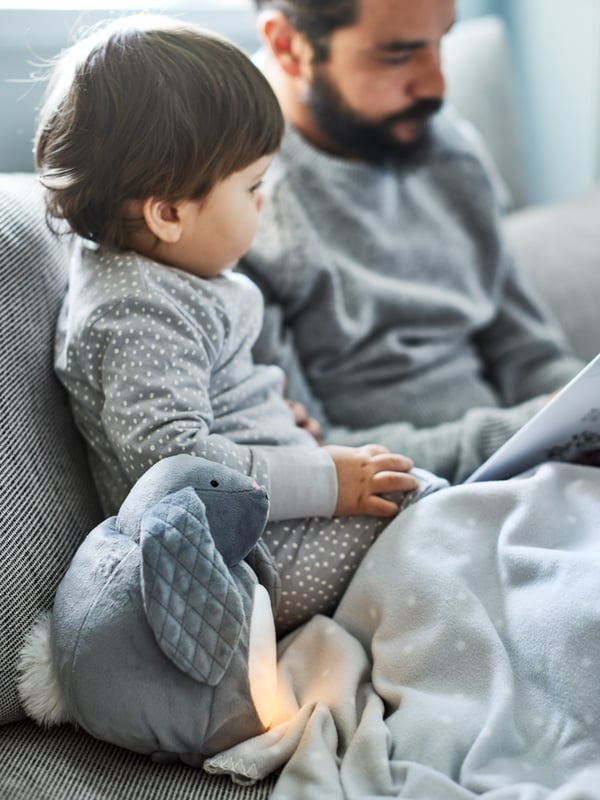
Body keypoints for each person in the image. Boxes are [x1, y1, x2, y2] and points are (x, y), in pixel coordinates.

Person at [37, 14, 430, 636]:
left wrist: (277, 424)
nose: (262, 201)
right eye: (251, 186)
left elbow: (206, 406)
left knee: (439, 505)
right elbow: (174, 463)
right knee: (430, 514)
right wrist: (325, 481)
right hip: (249, 558)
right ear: (168, 212)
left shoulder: (160, 276)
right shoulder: (136, 310)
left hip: (271, 529)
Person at [238, 0, 584, 484]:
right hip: (397, 507)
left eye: (440, 42)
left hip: (525, 470)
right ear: (287, 44)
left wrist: (578, 415)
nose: (436, 86)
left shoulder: (447, 147)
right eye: (397, 56)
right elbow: (311, 455)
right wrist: (523, 432)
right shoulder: (233, 211)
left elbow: (529, 355)